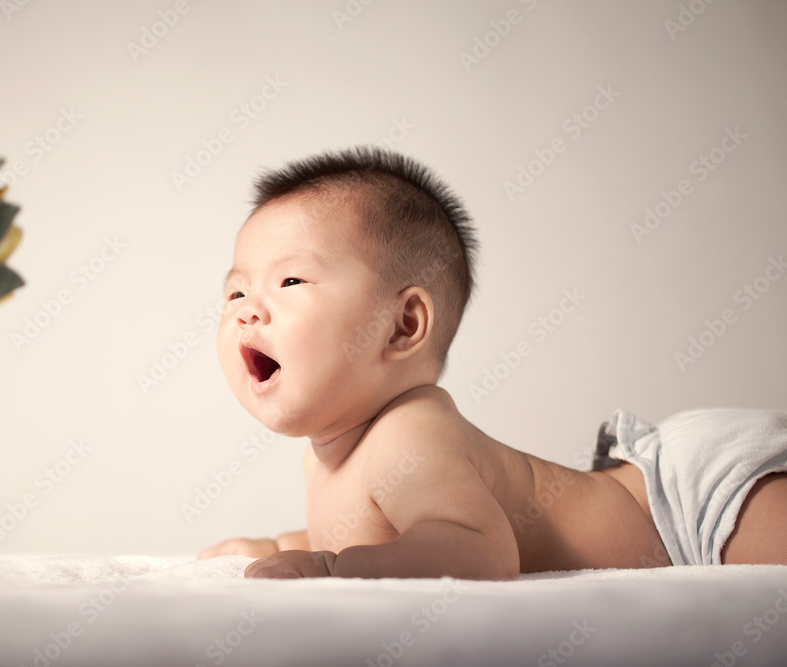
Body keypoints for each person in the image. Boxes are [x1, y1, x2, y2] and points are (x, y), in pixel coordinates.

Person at [199, 146, 787, 579]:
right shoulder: (328, 458)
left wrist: (328, 569)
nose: (248, 312)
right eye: (235, 292)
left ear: (403, 325)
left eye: (291, 279)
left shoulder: (410, 433)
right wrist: (279, 546)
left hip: (687, 499)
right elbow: (378, 535)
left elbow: (474, 551)